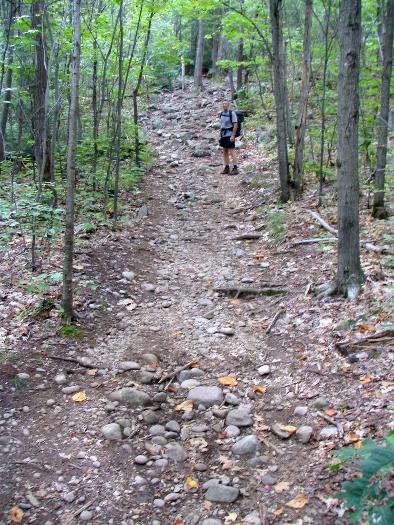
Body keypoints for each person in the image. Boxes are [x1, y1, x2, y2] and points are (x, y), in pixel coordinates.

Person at [219, 100, 239, 175]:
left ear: (228, 105)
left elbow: (235, 124)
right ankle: (226, 168)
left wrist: (233, 135)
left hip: (230, 134)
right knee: (225, 151)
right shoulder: (221, 114)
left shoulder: (232, 113)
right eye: (223, 104)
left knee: (232, 151)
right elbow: (222, 126)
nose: (224, 105)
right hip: (223, 135)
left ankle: (235, 168)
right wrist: (220, 136)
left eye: (226, 104)